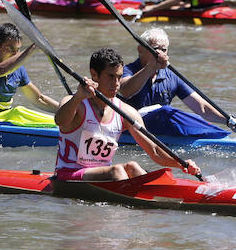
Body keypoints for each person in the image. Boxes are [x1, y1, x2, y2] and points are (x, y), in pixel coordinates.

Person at [53, 47, 199, 181]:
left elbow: (154, 150)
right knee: (117, 171)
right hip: (68, 174)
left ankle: (154, 202)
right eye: (111, 77)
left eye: (119, 77)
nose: (116, 83)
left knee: (133, 166)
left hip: (103, 175)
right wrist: (78, 97)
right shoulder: (75, 103)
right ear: (94, 75)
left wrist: (181, 164)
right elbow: (60, 121)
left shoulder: (126, 112)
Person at [117, 26, 236, 135]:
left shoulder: (172, 76)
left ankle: (220, 135)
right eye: (155, 49)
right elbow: (126, 91)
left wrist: (230, 121)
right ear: (140, 49)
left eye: (164, 50)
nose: (161, 54)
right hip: (130, 127)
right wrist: (150, 67)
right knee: (166, 111)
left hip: (157, 129)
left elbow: (202, 108)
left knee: (188, 116)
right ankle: (216, 134)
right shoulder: (127, 70)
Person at [0, 23, 61, 119]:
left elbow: (38, 99)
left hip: (4, 121)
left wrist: (64, 110)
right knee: (19, 111)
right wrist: (34, 47)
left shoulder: (19, 70)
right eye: (10, 48)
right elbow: (1, 70)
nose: (15, 54)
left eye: (18, 49)